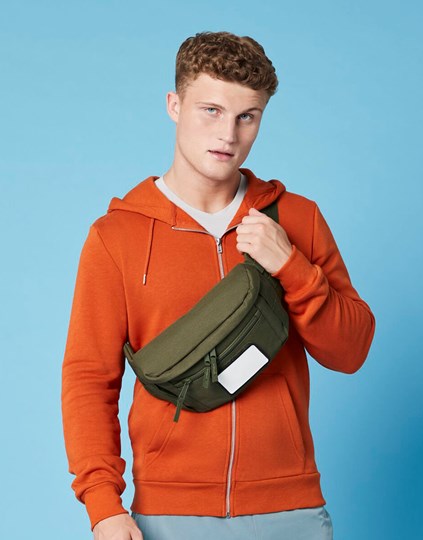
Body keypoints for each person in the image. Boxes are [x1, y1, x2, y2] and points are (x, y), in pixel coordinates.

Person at [62, 31, 375, 540]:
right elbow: (88, 379)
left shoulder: (297, 219)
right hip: (169, 513)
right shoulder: (116, 237)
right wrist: (102, 505)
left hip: (291, 510)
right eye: (211, 110)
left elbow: (351, 351)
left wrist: (291, 265)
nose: (228, 134)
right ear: (174, 105)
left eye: (247, 116)